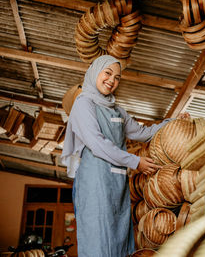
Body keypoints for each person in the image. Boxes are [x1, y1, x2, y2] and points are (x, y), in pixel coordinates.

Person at [61, 55, 187, 257]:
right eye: (107, 73)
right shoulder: (83, 104)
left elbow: (142, 133)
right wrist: (135, 161)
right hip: (95, 182)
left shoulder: (117, 110)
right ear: (95, 72)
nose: (111, 80)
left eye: (117, 77)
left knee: (117, 239)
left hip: (117, 183)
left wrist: (171, 122)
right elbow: (97, 144)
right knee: (99, 240)